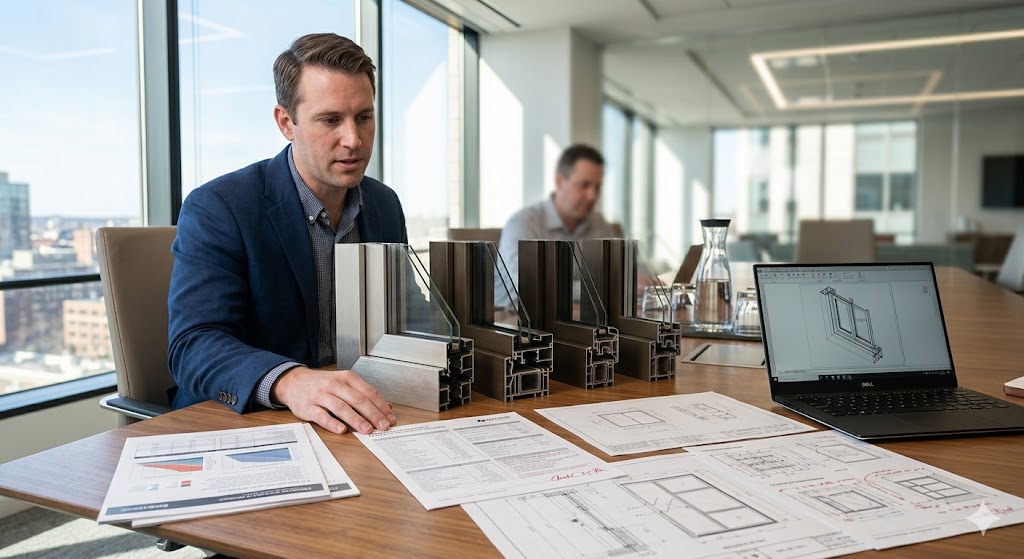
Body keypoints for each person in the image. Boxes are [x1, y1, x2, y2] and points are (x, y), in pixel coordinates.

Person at [167, 33, 404, 436]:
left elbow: (400, 318)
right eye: (330, 120)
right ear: (286, 123)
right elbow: (193, 344)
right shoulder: (220, 206)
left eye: (364, 117)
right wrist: (291, 381)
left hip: (357, 416)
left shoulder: (384, 203)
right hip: (246, 423)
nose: (354, 140)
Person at [496, 144, 618, 306]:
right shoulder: (523, 223)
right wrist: (601, 288)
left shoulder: (599, 224)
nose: (592, 196)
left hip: (578, 315)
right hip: (516, 317)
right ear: (559, 181)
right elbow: (530, 284)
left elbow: (615, 276)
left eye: (598, 187)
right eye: (584, 185)